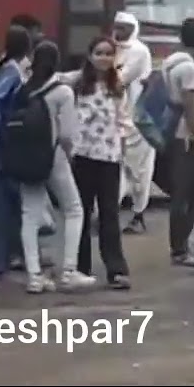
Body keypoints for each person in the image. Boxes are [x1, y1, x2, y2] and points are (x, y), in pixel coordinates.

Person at [15, 42, 97, 293]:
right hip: (54, 157)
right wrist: (70, 155)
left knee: (29, 215)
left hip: (26, 158)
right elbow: (67, 134)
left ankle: (34, 276)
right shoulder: (63, 92)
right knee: (74, 209)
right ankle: (69, 271)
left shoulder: (24, 90)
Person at [65, 37, 132, 288]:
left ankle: (116, 269)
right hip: (82, 156)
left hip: (109, 157)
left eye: (108, 54)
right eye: (99, 53)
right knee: (82, 212)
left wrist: (122, 155)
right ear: (90, 56)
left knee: (109, 214)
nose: (104, 58)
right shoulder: (78, 84)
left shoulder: (117, 87)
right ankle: (80, 267)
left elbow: (123, 122)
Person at [0, 25, 33, 284]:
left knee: (7, 201)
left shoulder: (0, 67)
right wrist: (2, 129)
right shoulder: (12, 71)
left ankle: (10, 255)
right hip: (1, 146)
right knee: (1, 202)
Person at [162, 18, 194, 269]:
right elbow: (191, 108)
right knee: (189, 193)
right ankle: (180, 249)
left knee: (189, 192)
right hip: (185, 136)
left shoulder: (170, 61)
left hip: (173, 133)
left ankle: (181, 246)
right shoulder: (189, 68)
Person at [113, 12, 156, 235]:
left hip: (137, 121)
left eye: (123, 28)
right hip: (117, 119)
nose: (118, 32)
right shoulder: (113, 50)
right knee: (118, 168)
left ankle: (138, 214)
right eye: (116, 27)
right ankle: (109, 215)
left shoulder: (138, 51)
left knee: (139, 171)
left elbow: (120, 80)